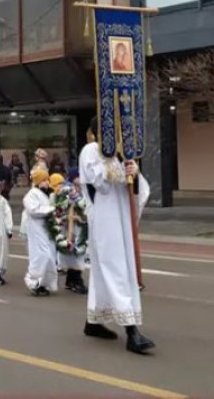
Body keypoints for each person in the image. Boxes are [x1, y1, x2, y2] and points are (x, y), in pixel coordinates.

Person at [79, 117, 154, 355]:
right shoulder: (91, 150)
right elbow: (99, 181)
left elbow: (138, 188)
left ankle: (93, 321)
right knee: (115, 268)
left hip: (120, 216)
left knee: (106, 271)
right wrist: (123, 170)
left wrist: (135, 172)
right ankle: (131, 330)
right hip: (104, 217)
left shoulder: (121, 153)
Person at [50, 170, 89, 295]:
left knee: (78, 253)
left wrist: (82, 218)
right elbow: (60, 209)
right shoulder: (67, 192)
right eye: (77, 177)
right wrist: (68, 217)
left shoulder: (82, 191)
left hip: (79, 227)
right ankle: (76, 280)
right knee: (73, 253)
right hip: (69, 227)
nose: (80, 179)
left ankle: (71, 279)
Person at [21, 168, 57, 296]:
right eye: (44, 180)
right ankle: (32, 280)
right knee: (41, 255)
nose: (47, 182)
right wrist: (51, 209)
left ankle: (43, 283)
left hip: (46, 229)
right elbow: (33, 210)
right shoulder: (32, 194)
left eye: (47, 180)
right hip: (36, 229)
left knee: (49, 256)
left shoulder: (46, 194)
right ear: (38, 181)